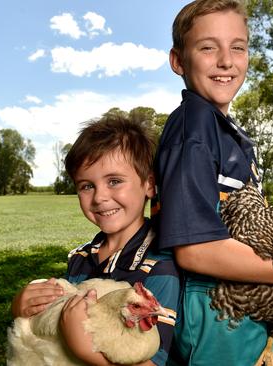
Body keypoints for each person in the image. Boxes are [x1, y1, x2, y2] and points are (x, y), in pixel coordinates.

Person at [151, 1, 273, 365]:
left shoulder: (223, 131)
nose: (226, 60)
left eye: (238, 47)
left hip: (239, 303)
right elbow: (194, 249)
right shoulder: (195, 129)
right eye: (207, 47)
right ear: (178, 61)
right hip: (212, 310)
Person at [12, 114, 179, 366]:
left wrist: (87, 351)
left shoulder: (159, 267)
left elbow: (153, 362)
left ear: (149, 184)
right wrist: (21, 306)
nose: (100, 197)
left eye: (114, 181)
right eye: (86, 186)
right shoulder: (80, 257)